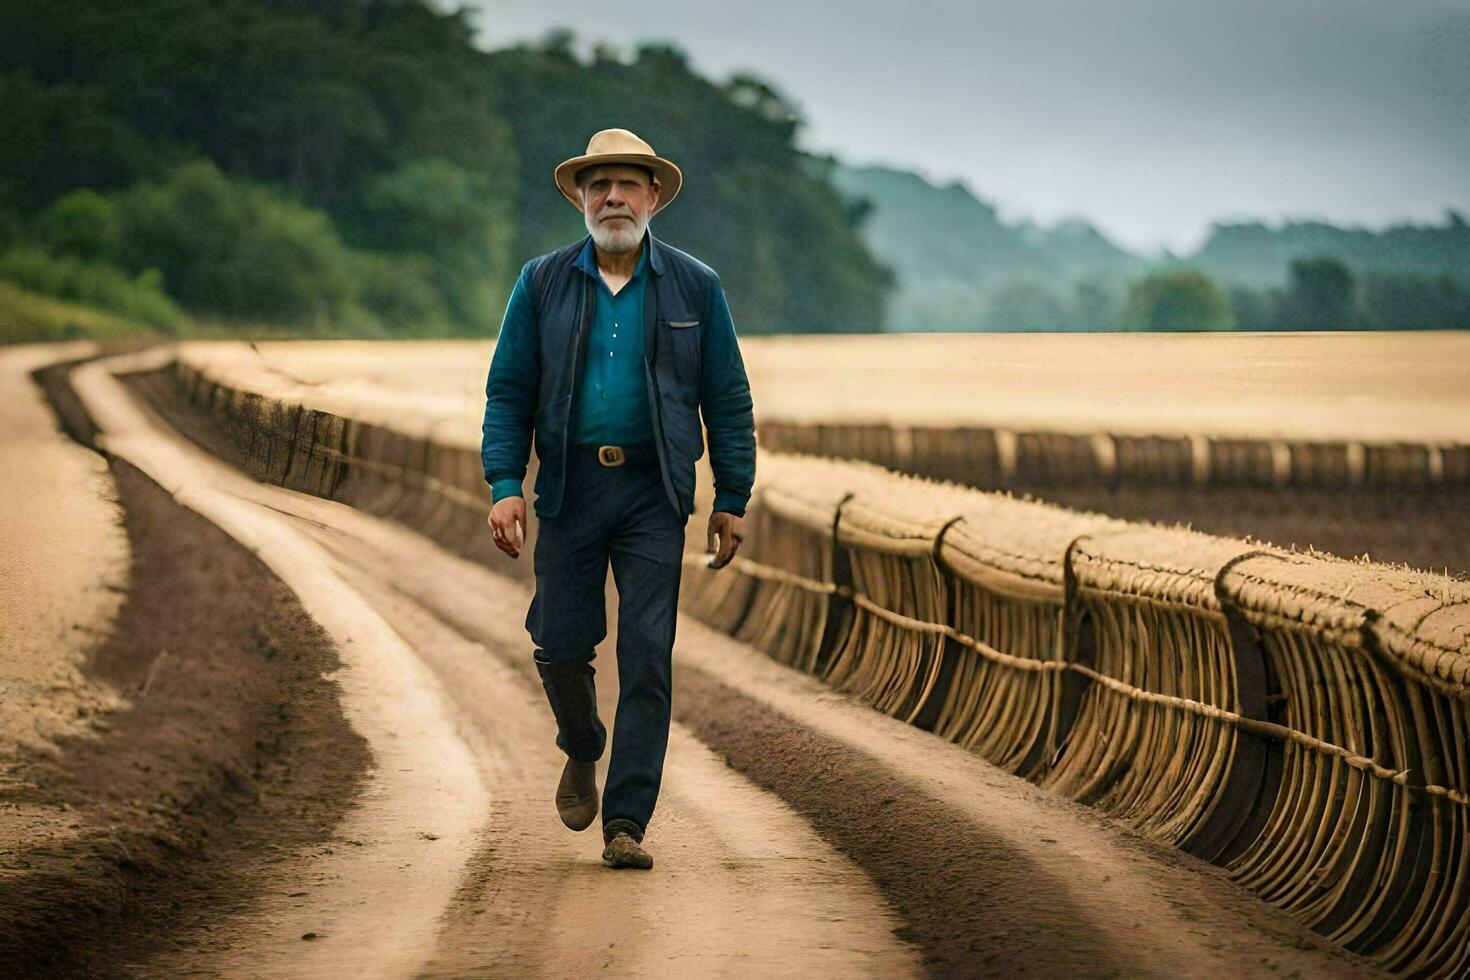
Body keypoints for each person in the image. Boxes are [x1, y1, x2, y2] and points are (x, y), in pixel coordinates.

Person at [480, 128, 757, 870]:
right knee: (560, 642)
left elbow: (727, 399)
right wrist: (507, 485)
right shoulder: (540, 283)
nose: (612, 198)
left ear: (653, 196)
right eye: (598, 185)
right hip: (570, 487)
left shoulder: (697, 287)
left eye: (627, 185)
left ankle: (627, 820)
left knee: (646, 654)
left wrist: (732, 494)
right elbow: (508, 392)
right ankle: (581, 743)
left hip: (652, 491)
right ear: (578, 197)